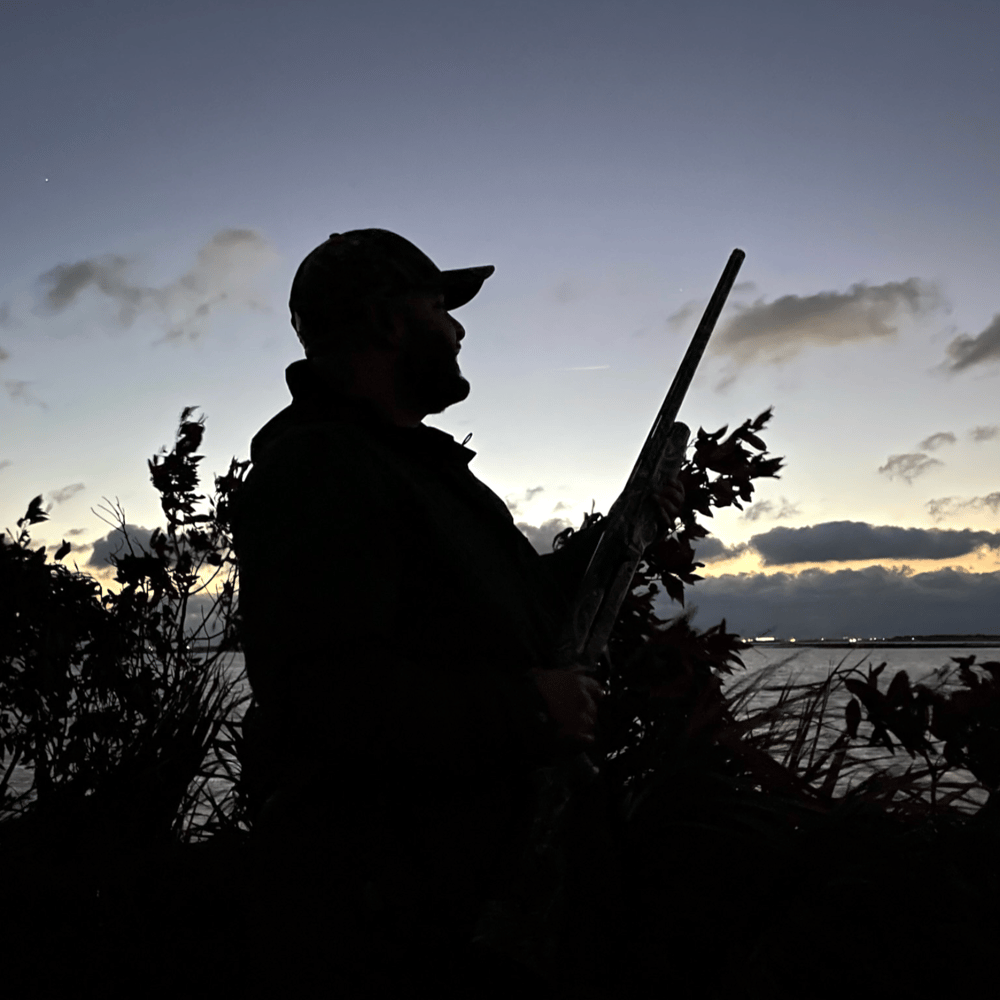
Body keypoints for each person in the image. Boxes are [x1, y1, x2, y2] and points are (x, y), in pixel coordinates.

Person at [231, 229, 684, 998]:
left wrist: (621, 532)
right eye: (441, 305)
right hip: (408, 927)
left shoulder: (417, 470)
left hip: (478, 903)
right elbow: (319, 689)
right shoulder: (318, 467)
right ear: (386, 323)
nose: (459, 328)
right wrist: (525, 710)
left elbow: (517, 609)